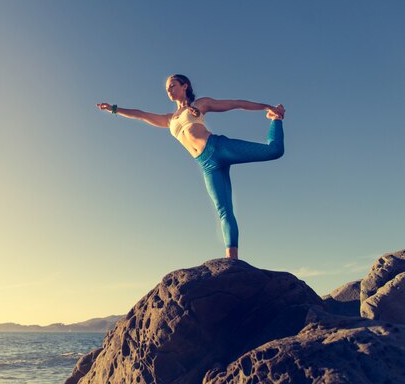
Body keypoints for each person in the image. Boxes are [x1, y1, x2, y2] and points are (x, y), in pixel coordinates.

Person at [96, 74, 285, 260]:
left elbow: (235, 103)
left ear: (184, 86)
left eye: (172, 85)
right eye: (167, 88)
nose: (169, 90)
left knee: (274, 151)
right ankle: (232, 261)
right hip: (207, 165)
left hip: (218, 147)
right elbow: (141, 115)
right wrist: (114, 109)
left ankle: (276, 118)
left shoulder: (199, 105)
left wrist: (266, 107)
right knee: (224, 211)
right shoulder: (170, 119)